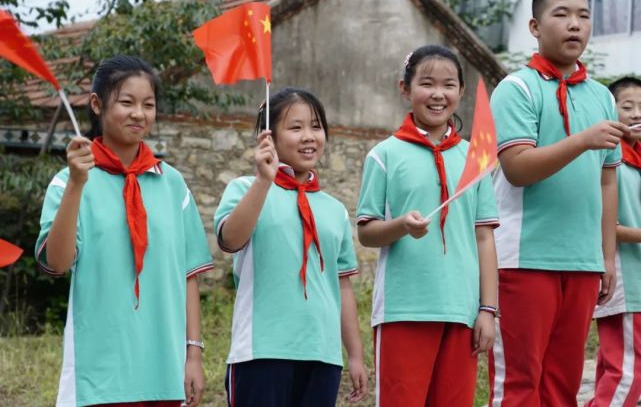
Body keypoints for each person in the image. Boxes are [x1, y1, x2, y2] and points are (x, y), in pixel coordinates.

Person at [35, 55, 213, 407]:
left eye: (148, 105)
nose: (139, 114)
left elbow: (188, 275)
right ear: (97, 105)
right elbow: (55, 263)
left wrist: (193, 355)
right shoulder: (67, 183)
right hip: (98, 373)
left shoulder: (173, 184)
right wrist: (76, 185)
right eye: (127, 102)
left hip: (164, 368)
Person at [487, 0, 630, 406]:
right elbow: (517, 169)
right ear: (534, 25)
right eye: (562, 14)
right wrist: (582, 140)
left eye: (584, 16)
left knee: (562, 387)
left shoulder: (603, 97)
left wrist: (606, 257)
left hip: (583, 262)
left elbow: (608, 180)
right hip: (524, 259)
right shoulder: (517, 88)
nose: (575, 25)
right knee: (519, 384)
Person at [356, 44, 500, 407]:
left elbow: (484, 237)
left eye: (449, 85)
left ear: (461, 92)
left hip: (462, 311)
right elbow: (367, 231)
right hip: (404, 310)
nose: (438, 94)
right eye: (427, 83)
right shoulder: (384, 155)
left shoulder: (476, 158)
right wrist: (402, 226)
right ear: (405, 89)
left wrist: (487, 309)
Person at [214, 87, 368, 407]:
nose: (309, 136)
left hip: (322, 355)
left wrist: (355, 355)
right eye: (295, 128)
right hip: (260, 353)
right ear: (268, 136)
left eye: (316, 126)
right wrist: (262, 181)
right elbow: (230, 240)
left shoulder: (334, 209)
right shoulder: (245, 188)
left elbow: (343, 287)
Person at [587, 77, 641, 407]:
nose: (636, 114)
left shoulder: (637, 160)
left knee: (613, 368)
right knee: (629, 373)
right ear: (610, 110)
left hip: (637, 284)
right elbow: (602, 222)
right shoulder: (607, 158)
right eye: (627, 106)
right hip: (622, 280)